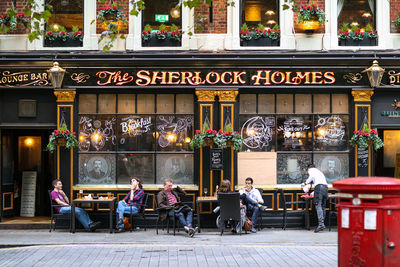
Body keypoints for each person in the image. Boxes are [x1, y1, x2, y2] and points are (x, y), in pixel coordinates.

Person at [301, 164, 329, 233]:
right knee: (323, 206)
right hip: (325, 188)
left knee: (318, 205)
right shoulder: (319, 172)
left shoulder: (311, 170)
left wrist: (305, 183)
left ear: (308, 169)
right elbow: (320, 183)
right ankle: (322, 223)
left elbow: (312, 177)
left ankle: (321, 224)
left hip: (319, 188)